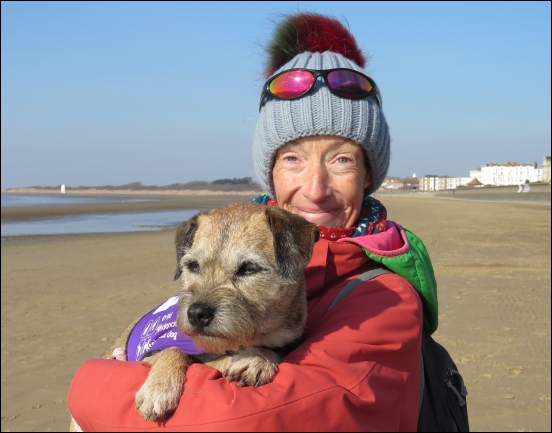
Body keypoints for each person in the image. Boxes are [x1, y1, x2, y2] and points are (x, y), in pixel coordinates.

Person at [67, 13, 437, 431]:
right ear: (271, 172)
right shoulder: (238, 233)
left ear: (369, 175)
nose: (315, 188)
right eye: (292, 159)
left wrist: (89, 385)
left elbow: (245, 419)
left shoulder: (385, 300)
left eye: (342, 160)